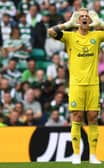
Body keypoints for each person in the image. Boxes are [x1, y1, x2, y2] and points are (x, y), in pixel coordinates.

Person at [48, 8, 104, 164]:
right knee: (77, 117)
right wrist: (67, 24)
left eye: (87, 16)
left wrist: (100, 23)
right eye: (81, 16)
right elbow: (50, 32)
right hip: (76, 84)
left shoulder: (97, 36)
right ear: (77, 20)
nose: (84, 18)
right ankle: (76, 154)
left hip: (93, 84)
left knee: (93, 118)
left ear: (90, 20)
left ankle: (93, 155)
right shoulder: (70, 37)